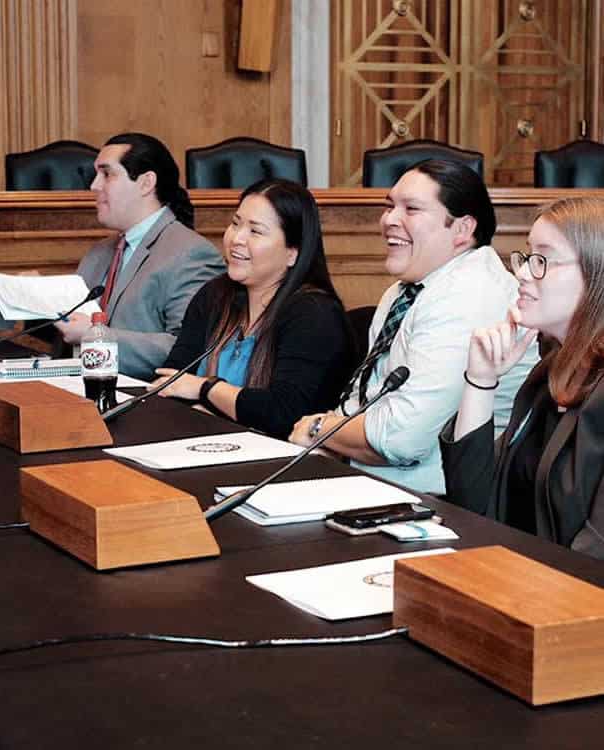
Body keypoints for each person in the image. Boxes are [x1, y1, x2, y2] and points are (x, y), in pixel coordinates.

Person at [289, 159, 538, 494]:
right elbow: (369, 401)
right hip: (380, 485)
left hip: (447, 504)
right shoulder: (408, 288)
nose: (389, 219)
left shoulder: (469, 295)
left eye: (412, 209)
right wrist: (329, 433)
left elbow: (400, 440)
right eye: (389, 206)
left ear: (462, 229)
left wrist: (319, 427)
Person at [440, 197, 604, 559]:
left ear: (597, 274)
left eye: (543, 260)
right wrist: (480, 380)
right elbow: (472, 504)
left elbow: (595, 553)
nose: (524, 273)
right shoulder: (548, 374)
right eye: (528, 257)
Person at [150, 178, 353, 439]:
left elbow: (285, 414)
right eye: (235, 224)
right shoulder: (215, 296)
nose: (236, 238)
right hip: (201, 445)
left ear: (293, 252)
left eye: (255, 231)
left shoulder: (315, 315)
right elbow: (171, 381)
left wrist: (206, 390)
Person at [55, 132, 225, 379]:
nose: (94, 186)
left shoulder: (192, 254)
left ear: (146, 183)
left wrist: (95, 336)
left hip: (146, 403)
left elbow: (190, 350)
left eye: (107, 174)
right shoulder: (99, 252)